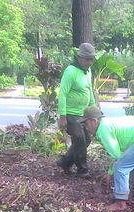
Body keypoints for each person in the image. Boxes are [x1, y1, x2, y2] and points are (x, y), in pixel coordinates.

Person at [56, 42, 97, 178]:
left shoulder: (87, 71)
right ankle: (82, 169)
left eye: (91, 59)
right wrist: (63, 117)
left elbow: (89, 90)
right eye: (86, 59)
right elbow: (62, 94)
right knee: (79, 138)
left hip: (83, 113)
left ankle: (65, 162)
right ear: (79, 58)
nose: (89, 62)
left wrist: (93, 110)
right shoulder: (70, 71)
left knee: (86, 140)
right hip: (70, 113)